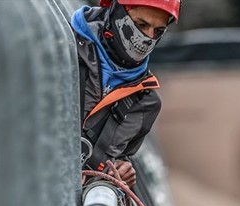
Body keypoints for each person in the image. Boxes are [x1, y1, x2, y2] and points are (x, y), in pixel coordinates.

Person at [70, 0, 180, 186]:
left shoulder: (146, 103)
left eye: (158, 31)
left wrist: (123, 172)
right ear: (115, 11)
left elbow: (114, 158)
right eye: (141, 25)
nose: (148, 38)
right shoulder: (63, 48)